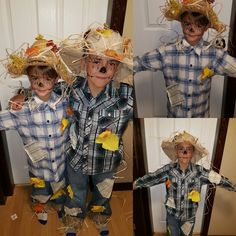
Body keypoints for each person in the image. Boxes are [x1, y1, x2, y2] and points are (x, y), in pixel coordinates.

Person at [57, 25, 133, 236]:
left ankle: (99, 212)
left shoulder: (125, 98)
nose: (103, 68)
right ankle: (73, 215)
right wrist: (21, 95)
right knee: (77, 191)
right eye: (96, 61)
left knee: (103, 192)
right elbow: (46, 93)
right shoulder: (71, 89)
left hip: (105, 161)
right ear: (84, 63)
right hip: (76, 158)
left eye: (110, 64)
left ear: (116, 69)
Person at [0, 35, 74, 225]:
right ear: (28, 78)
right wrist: (21, 94)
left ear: (56, 78)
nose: (41, 83)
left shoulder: (65, 103)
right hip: (37, 165)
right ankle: (40, 206)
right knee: (39, 190)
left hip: (60, 161)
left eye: (47, 78)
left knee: (60, 186)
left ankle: (59, 204)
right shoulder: (21, 110)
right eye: (35, 78)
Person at [134, 0, 236, 117]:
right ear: (182, 23)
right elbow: (139, 63)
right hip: (174, 116)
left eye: (199, 25)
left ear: (207, 26)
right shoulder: (166, 52)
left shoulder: (214, 54)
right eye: (187, 24)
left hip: (201, 116)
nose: (192, 29)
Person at [133, 131, 236, 236]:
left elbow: (217, 179)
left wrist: (232, 186)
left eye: (188, 149)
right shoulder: (168, 170)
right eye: (181, 149)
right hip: (171, 216)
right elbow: (152, 177)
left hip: (189, 218)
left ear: (192, 153)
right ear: (176, 152)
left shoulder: (199, 172)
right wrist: (136, 184)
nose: (185, 153)